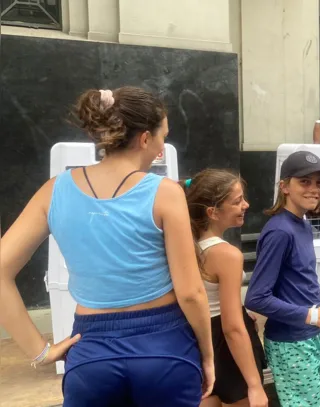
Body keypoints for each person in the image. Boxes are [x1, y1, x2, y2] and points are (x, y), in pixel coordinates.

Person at [0, 87, 214, 406]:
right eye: (162, 137)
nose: (160, 148)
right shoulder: (166, 193)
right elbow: (191, 293)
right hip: (164, 345)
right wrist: (208, 355)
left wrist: (39, 351)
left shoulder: (52, 191)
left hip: (91, 350)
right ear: (144, 138)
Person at [245, 151, 320, 407]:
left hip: (313, 336)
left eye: (319, 183)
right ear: (284, 186)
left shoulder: (302, 224)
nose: (314, 189)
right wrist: (314, 317)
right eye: (305, 181)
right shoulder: (279, 231)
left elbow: (306, 283)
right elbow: (256, 297)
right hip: (291, 344)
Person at [181, 169, 268, 407]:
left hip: (195, 340)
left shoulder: (184, 247)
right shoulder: (227, 255)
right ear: (213, 212)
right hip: (227, 347)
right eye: (237, 201)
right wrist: (255, 385)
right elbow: (232, 328)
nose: (246, 205)